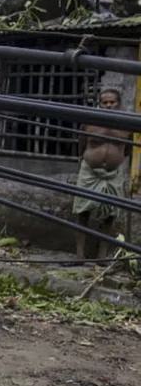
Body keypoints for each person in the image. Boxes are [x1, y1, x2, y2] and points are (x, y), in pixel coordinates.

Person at [74, 88, 131, 260]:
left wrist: (115, 160)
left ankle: (102, 256)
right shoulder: (90, 121)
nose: (108, 106)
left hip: (113, 174)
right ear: (100, 104)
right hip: (89, 172)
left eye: (112, 102)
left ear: (118, 103)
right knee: (82, 211)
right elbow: (81, 143)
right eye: (104, 102)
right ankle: (79, 255)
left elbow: (127, 149)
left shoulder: (127, 124)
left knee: (110, 213)